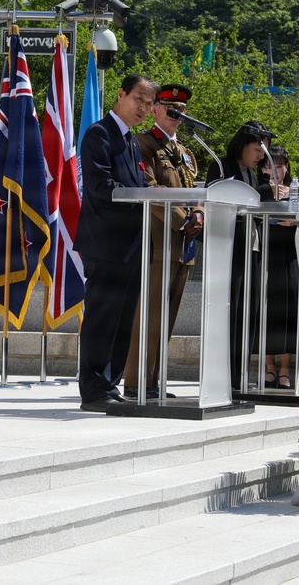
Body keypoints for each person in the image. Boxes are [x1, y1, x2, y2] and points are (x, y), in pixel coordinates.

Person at [74, 73, 160, 412]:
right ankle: (93, 389)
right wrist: (146, 194)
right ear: (121, 94)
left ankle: (110, 385)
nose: (143, 107)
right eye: (139, 98)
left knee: (123, 320)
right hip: (107, 244)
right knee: (103, 318)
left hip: (133, 246)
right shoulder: (100, 134)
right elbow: (100, 186)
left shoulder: (131, 141)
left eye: (150, 103)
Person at [122, 84, 204, 400]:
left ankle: (154, 380)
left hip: (184, 247)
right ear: (155, 110)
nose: (176, 115)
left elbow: (196, 190)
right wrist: (185, 219)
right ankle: (136, 381)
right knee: (150, 315)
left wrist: (199, 215)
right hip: (158, 244)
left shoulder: (186, 152)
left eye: (181, 111)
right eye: (170, 109)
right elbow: (150, 192)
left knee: (167, 317)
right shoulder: (142, 144)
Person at [204, 121, 286, 390]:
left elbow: (256, 203)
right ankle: (225, 374)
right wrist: (266, 192)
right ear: (243, 145)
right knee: (233, 312)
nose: (261, 157)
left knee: (248, 314)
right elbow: (223, 199)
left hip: (253, 248)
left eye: (263, 153)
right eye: (257, 150)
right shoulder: (221, 166)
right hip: (230, 249)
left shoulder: (252, 174)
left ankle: (240, 376)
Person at [257, 144, 299, 389]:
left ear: (286, 167)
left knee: (286, 313)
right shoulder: (260, 191)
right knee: (266, 312)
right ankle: (269, 368)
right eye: (269, 165)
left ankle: (285, 369)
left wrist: (296, 221)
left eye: (279, 165)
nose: (275, 170)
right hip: (264, 255)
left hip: (288, 257)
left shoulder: (296, 191)